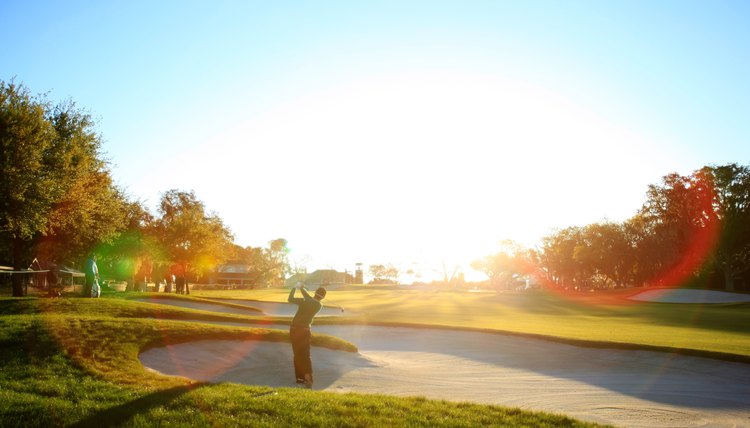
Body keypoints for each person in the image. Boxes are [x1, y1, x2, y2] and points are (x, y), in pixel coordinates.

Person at [288, 282, 326, 388]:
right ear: (323, 297)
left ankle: (300, 379)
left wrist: (294, 288)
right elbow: (308, 298)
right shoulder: (319, 305)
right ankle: (308, 377)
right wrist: (302, 289)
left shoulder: (305, 301)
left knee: (297, 355)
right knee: (306, 355)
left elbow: (290, 299)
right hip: (305, 331)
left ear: (316, 293)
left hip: (295, 330)